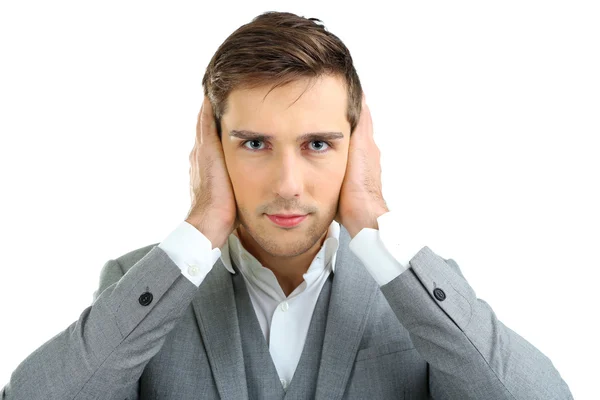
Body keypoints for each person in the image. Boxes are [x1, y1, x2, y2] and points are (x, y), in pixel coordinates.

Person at [1, 11, 573, 400]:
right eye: (254, 144)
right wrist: (201, 225)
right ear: (211, 148)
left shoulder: (418, 289)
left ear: (359, 147)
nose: (288, 183)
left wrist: (376, 220)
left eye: (318, 144)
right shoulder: (140, 283)